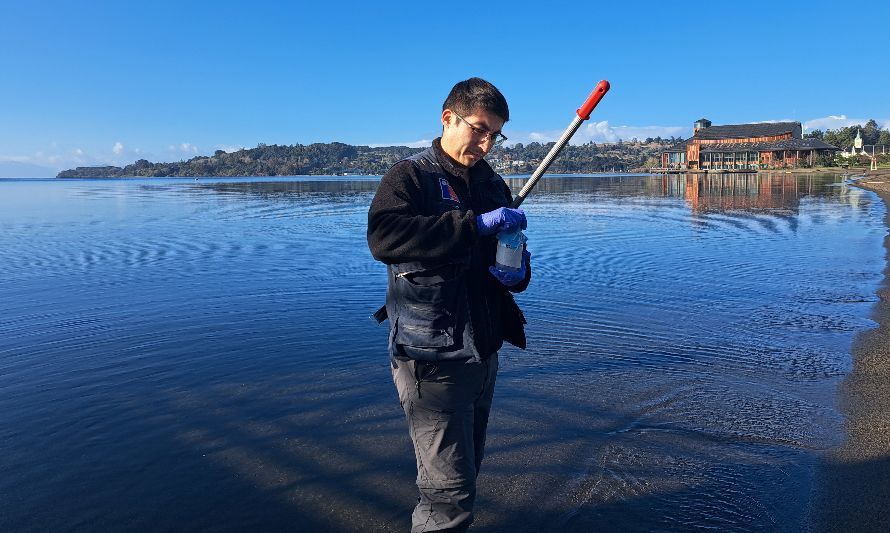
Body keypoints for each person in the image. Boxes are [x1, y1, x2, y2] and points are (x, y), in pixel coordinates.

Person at [367, 77, 531, 532]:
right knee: (446, 493)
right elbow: (385, 238)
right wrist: (473, 226)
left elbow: (507, 250)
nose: (485, 143)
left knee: (466, 469)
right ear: (447, 118)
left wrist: (517, 270)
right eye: (479, 129)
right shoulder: (410, 177)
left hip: (482, 349)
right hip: (430, 355)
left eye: (494, 135)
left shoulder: (491, 183)